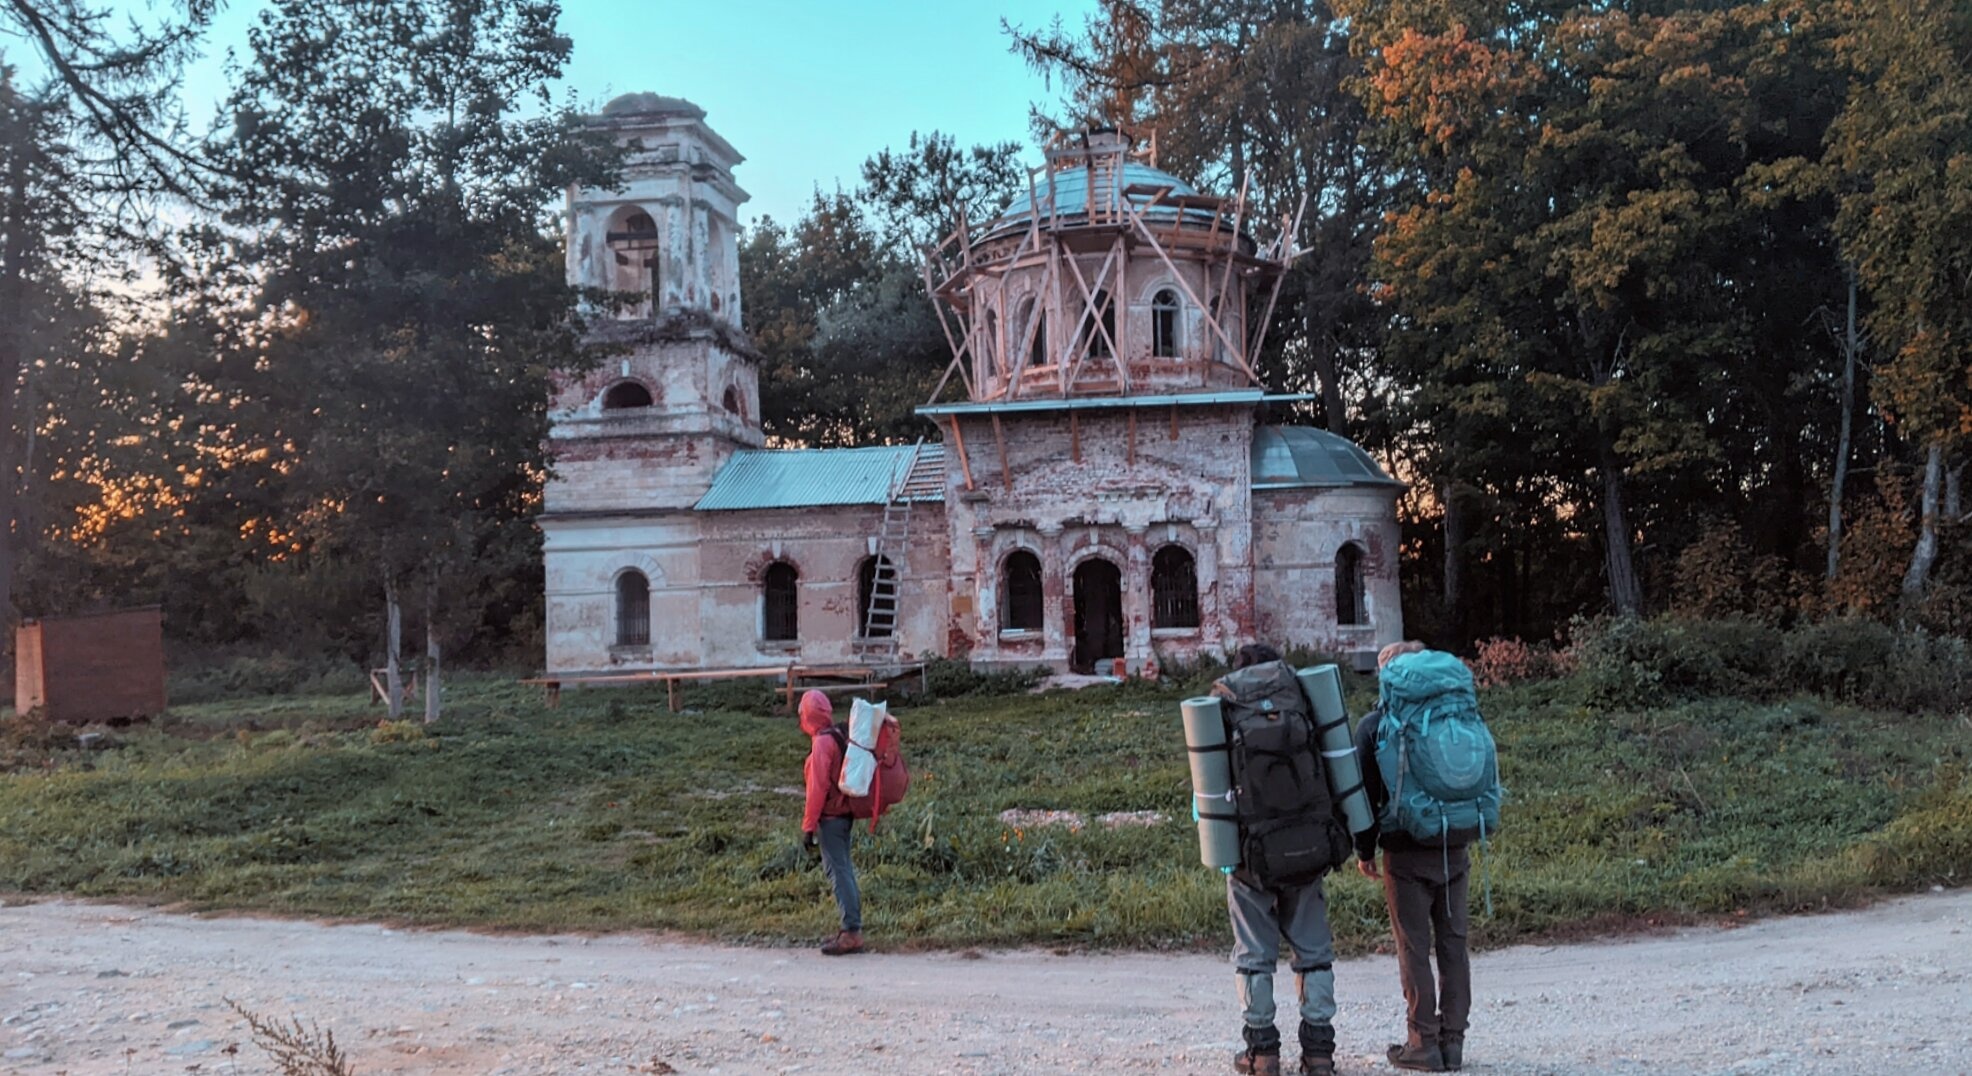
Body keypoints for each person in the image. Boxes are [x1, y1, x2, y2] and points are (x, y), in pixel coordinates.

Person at [1220, 642, 1347, 1076]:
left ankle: (1262, 1054)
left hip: (1250, 856)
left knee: (1254, 953)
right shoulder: (1302, 700)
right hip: (1308, 847)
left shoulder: (1227, 709)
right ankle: (1319, 1055)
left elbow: (1210, 800)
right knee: (1313, 949)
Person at [1355, 640, 1470, 1072]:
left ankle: (1423, 1043)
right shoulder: (1454, 719)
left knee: (1415, 948)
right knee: (1454, 945)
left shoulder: (1374, 726)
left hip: (1403, 852)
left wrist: (1364, 850)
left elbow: (1365, 794)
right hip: (1454, 843)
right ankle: (1454, 1042)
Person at [798, 689, 863, 956]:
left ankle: (851, 932)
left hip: (832, 818)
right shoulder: (837, 734)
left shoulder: (822, 743)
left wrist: (808, 826)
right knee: (843, 869)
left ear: (808, 715)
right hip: (844, 814)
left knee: (839, 873)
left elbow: (817, 789)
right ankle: (850, 928)